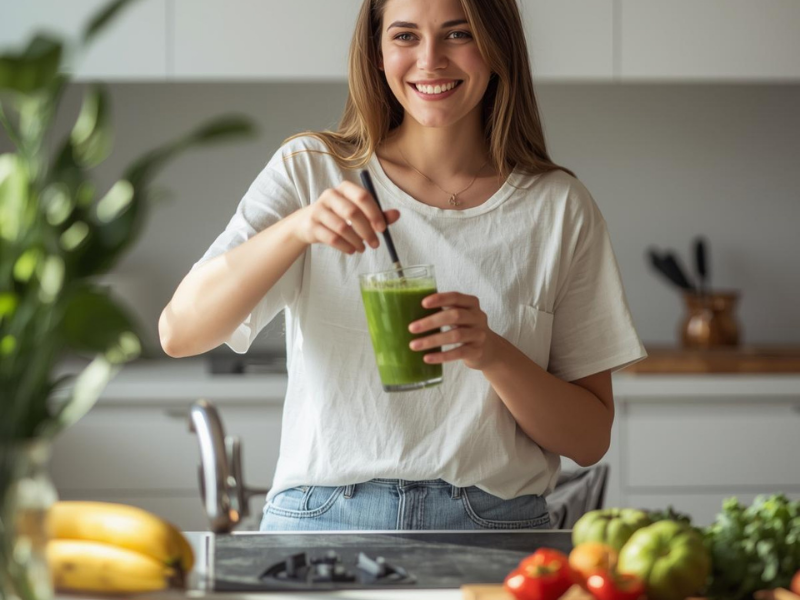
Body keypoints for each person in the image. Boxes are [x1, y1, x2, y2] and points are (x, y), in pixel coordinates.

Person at [158, 0, 647, 532]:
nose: (430, 59)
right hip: (322, 519)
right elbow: (180, 332)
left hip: (496, 530)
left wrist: (492, 353)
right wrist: (296, 229)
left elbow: (589, 439)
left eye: (458, 34)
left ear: (497, 46)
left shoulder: (558, 207)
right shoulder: (312, 172)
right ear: (377, 52)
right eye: (406, 36)